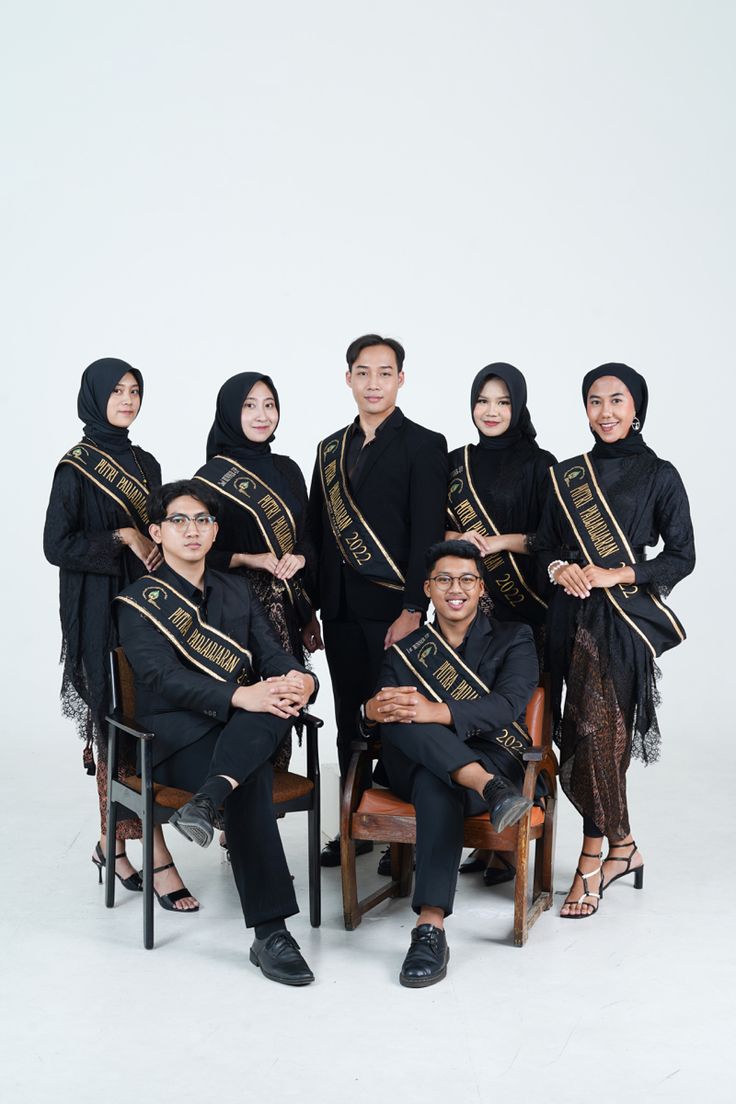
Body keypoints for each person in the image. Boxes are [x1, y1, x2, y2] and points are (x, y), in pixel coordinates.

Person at [116, 480, 318, 984]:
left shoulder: (237, 590)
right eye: (179, 521)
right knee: (253, 761)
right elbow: (160, 677)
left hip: (235, 729)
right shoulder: (137, 601)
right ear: (157, 533)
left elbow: (272, 655)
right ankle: (272, 933)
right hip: (172, 740)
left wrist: (302, 678)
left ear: (215, 531)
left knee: (271, 708)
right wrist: (240, 696)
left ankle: (208, 799)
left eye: (202, 520)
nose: (192, 530)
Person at [536, 364, 695, 918]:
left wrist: (616, 574)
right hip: (565, 620)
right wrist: (559, 567)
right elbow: (542, 542)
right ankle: (623, 847)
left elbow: (681, 556)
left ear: (636, 408)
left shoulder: (659, 475)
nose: (605, 412)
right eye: (595, 401)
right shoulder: (565, 474)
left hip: (621, 626)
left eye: (617, 400)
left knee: (600, 734)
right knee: (576, 735)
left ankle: (591, 858)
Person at [44, 358, 196, 911]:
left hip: (146, 609)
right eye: (117, 391)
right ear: (94, 397)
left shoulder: (145, 462)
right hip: (97, 614)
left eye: (135, 391)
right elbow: (56, 545)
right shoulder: (75, 467)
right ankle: (151, 855)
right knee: (117, 724)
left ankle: (112, 844)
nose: (127, 400)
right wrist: (123, 537)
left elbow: (161, 533)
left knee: (145, 719)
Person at [364, 541, 539, 987]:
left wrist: (432, 711)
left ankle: (430, 925)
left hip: (488, 755)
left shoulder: (514, 637)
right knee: (399, 715)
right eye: (443, 579)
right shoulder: (406, 649)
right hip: (477, 780)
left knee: (433, 778)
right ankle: (491, 789)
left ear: (481, 588)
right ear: (428, 588)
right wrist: (372, 710)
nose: (454, 589)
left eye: (465, 579)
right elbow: (381, 705)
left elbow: (505, 706)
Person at [306, 334, 448, 869]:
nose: (373, 383)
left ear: (401, 380)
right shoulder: (327, 449)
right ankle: (353, 827)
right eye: (362, 373)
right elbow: (316, 536)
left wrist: (415, 608)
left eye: (384, 373)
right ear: (348, 378)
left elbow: (426, 539)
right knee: (350, 718)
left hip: (395, 611)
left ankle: (398, 830)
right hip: (339, 610)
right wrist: (311, 610)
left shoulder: (424, 444)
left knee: (397, 720)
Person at [446, 362, 555, 885]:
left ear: (519, 406)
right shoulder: (455, 463)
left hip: (526, 608)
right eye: (483, 401)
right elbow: (434, 531)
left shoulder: (541, 464)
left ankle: (513, 837)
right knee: (467, 708)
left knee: (520, 717)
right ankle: (481, 831)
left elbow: (553, 538)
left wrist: (500, 543)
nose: (491, 412)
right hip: (468, 609)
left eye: (503, 402)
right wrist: (458, 536)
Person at [194, 372, 316, 772]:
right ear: (231, 412)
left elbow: (311, 539)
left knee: (286, 698)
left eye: (269, 404)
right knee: (247, 703)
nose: (262, 415)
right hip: (236, 611)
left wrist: (300, 560)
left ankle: (266, 808)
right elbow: (198, 552)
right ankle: (235, 811)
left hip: (289, 606)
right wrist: (252, 558)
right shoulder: (210, 477)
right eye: (249, 405)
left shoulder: (289, 469)